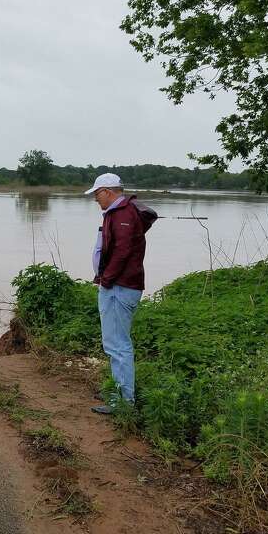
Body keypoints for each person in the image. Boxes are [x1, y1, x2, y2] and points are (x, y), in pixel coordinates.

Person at [84, 173, 147, 415]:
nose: (95, 199)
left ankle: (123, 402)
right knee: (115, 343)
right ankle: (121, 392)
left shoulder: (122, 214)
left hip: (120, 287)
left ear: (108, 191)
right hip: (119, 286)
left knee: (118, 345)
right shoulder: (120, 212)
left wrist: (106, 280)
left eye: (97, 194)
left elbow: (122, 251)